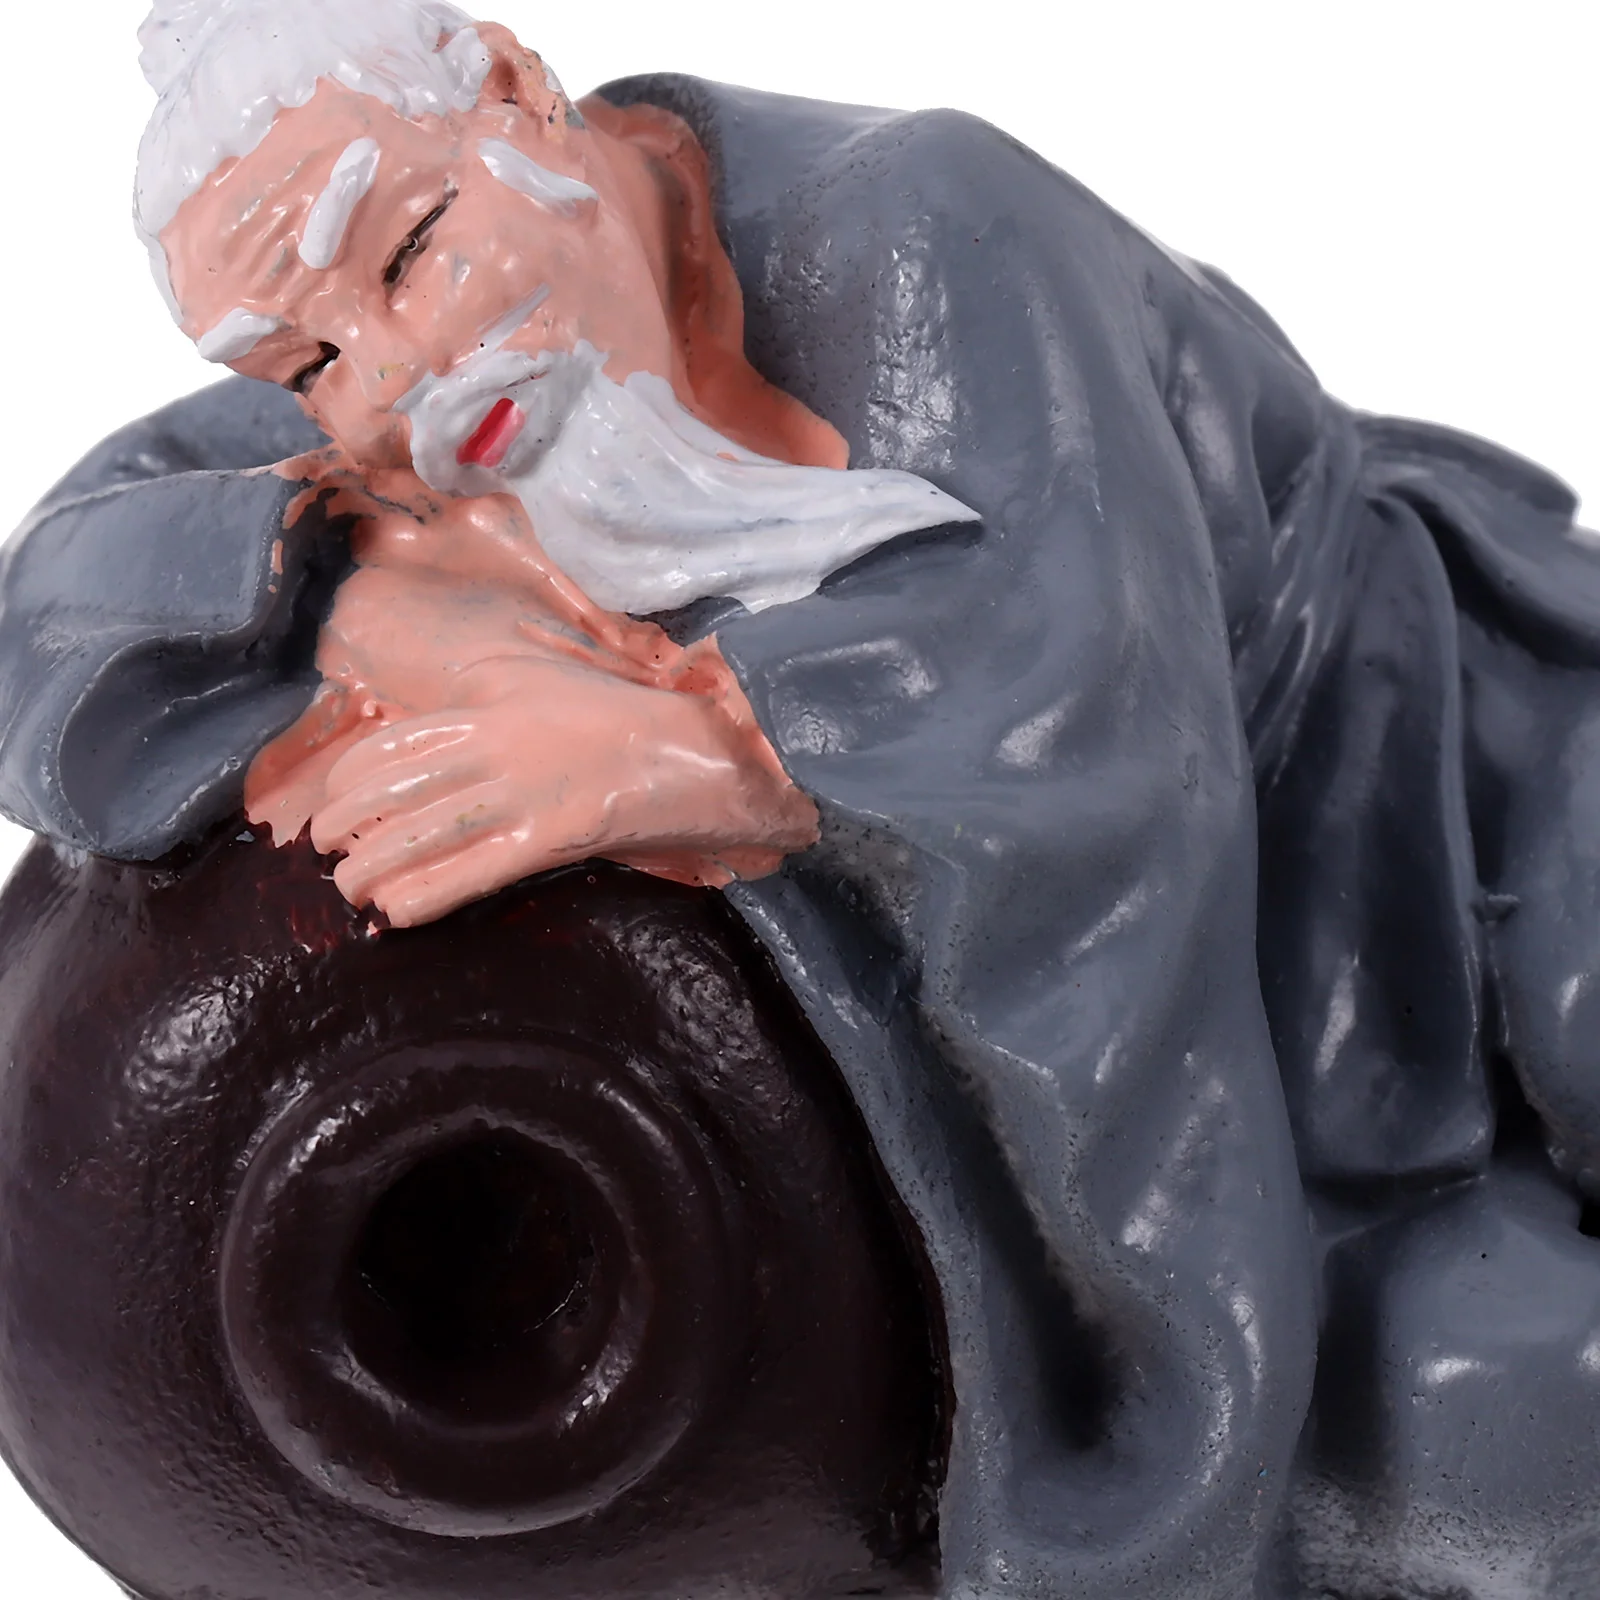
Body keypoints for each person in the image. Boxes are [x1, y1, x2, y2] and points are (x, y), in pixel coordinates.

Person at [3, 2, 1600, 1595]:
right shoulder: (429, 402)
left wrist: (698, 750)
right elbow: (53, 583)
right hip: (1171, 988)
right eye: (309, 362)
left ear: (512, 96)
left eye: (415, 250)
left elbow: (1082, 691)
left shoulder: (924, 226)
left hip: (1422, 769)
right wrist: (347, 578)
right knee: (1479, 1401)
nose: (398, 372)